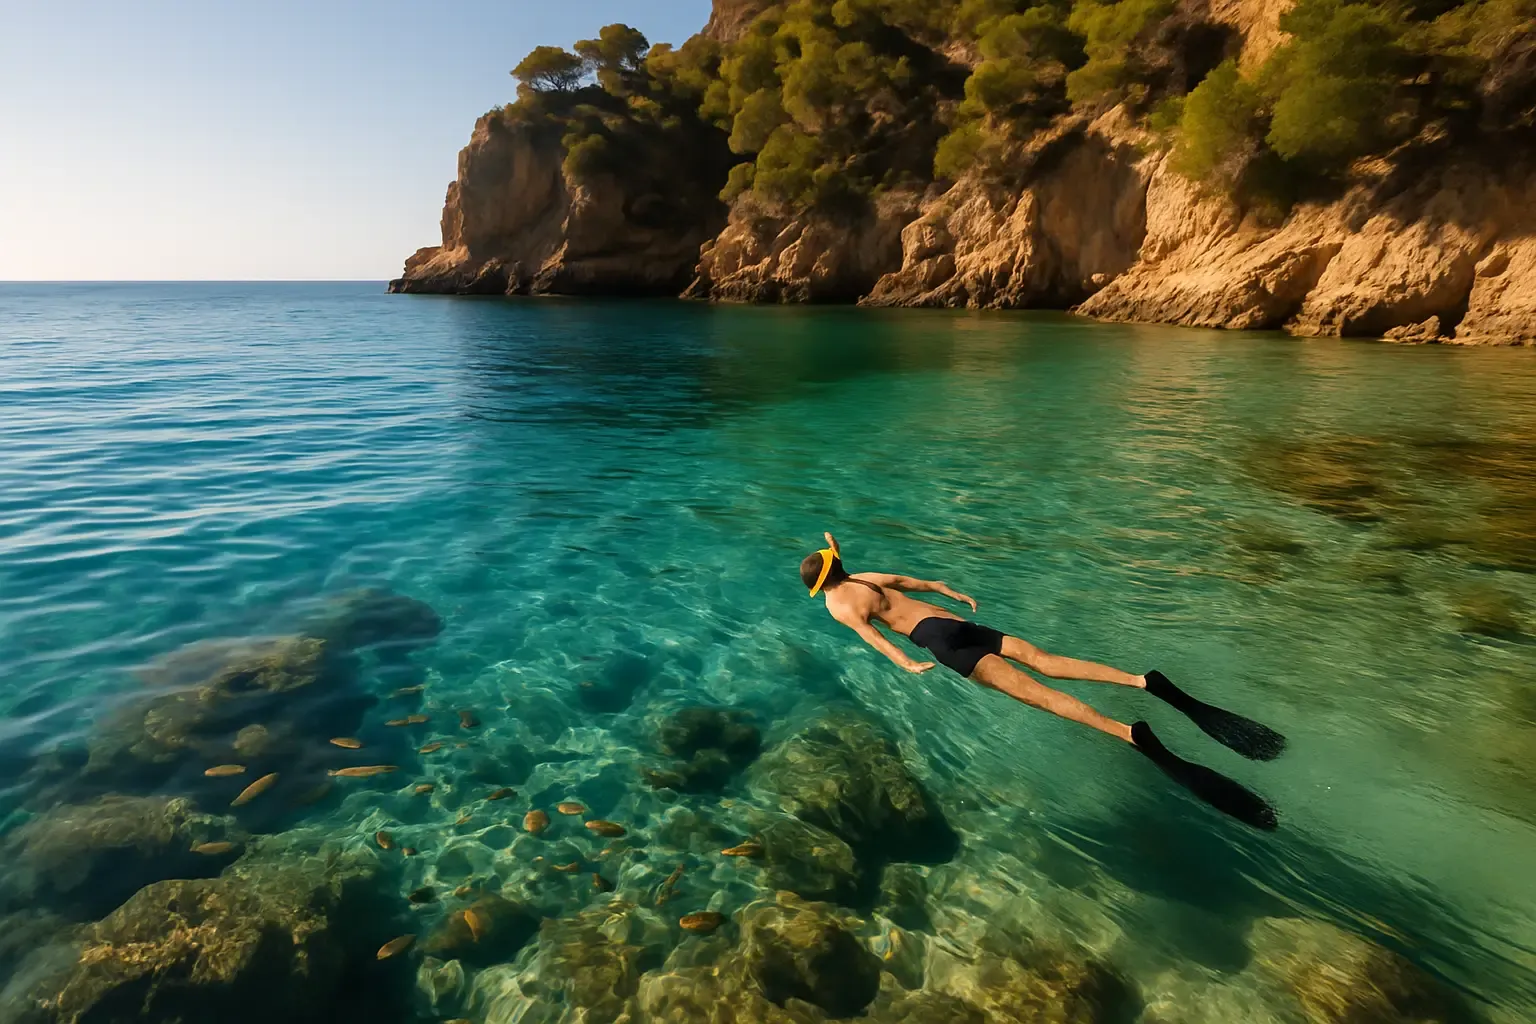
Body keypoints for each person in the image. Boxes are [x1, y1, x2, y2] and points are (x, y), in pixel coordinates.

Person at [801, 533, 1285, 830]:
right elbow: (910, 581)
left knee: (1045, 698)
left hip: (939, 643)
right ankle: (1142, 681)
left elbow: (873, 637)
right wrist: (951, 589)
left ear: (821, 584)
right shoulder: (864, 578)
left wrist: (906, 665)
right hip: (953, 622)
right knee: (1048, 661)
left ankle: (1127, 734)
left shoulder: (837, 605)